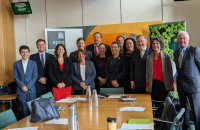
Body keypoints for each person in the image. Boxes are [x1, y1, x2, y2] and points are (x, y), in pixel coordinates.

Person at [174, 31, 200, 130]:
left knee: (196, 111)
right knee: (183, 110)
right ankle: (186, 126)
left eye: (184, 38)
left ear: (188, 40)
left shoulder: (195, 50)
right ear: (177, 41)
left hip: (193, 86)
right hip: (181, 86)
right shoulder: (176, 53)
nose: (182, 40)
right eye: (180, 38)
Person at [146, 37, 174, 121]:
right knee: (155, 103)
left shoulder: (166, 55)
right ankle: (157, 121)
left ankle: (165, 120)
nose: (155, 45)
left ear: (160, 45)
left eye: (157, 43)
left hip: (163, 83)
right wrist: (147, 85)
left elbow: (170, 70)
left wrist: (171, 83)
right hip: (153, 84)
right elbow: (147, 73)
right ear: (151, 45)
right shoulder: (149, 57)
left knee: (164, 103)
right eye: (153, 43)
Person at [13, 45, 38, 117]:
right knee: (24, 110)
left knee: (33, 109)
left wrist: (27, 86)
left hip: (31, 90)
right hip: (21, 90)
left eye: (26, 52)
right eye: (23, 52)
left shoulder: (33, 63)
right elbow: (15, 77)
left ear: (29, 53)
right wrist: (22, 86)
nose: (25, 54)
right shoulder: (16, 64)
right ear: (20, 53)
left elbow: (35, 76)